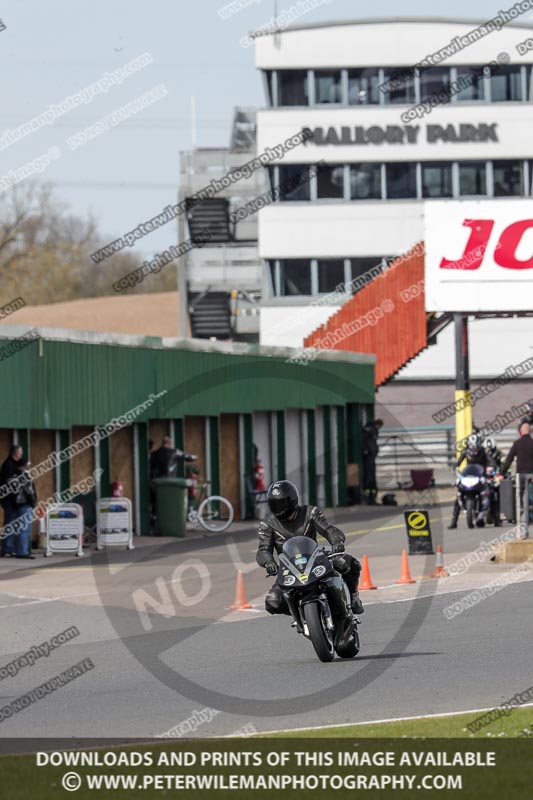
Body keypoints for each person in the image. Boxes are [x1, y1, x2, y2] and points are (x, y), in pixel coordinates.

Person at [256, 480, 364, 616]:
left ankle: (353, 596)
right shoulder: (267, 525)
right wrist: (268, 562)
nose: (278, 508)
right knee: (273, 602)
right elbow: (263, 549)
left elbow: (328, 530)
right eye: (274, 504)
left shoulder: (310, 513)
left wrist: (337, 541)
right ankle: (302, 614)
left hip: (315, 558)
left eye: (281, 503)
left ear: (292, 501)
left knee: (348, 564)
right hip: (289, 568)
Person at [448, 433, 490, 529]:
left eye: (475, 446)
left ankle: (488, 517)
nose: (473, 448)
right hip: (469, 475)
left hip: (480, 475)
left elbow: (489, 461)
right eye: (472, 446)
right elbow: (459, 462)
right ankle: (454, 522)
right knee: (458, 496)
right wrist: (455, 467)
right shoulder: (465, 452)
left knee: (489, 492)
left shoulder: (483, 451)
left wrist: (490, 468)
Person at [501, 421, 533, 534]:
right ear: (530, 431)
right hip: (531, 476)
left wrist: (502, 473)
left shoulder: (517, 444)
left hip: (520, 476)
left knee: (520, 502)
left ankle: (523, 530)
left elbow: (508, 460)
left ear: (520, 432)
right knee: (531, 500)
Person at [0, 444, 23, 557]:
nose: (21, 454)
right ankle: (6, 548)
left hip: (11, 499)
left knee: (12, 523)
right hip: (9, 499)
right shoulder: (9, 465)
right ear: (16, 453)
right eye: (20, 452)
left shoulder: (13, 464)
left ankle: (9, 547)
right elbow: (10, 482)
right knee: (9, 522)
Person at [12, 457, 37, 559]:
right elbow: (29, 491)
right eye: (26, 465)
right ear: (23, 466)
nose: (27, 467)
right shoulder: (23, 476)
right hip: (25, 504)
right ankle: (23, 552)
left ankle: (18, 550)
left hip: (17, 504)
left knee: (19, 529)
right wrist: (32, 502)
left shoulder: (13, 475)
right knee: (25, 529)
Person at [361, 419, 383, 505]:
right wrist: (365, 450)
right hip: (368, 456)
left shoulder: (372, 430)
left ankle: (372, 497)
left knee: (371, 477)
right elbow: (363, 439)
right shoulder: (369, 430)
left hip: (371, 455)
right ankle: (369, 498)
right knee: (369, 477)